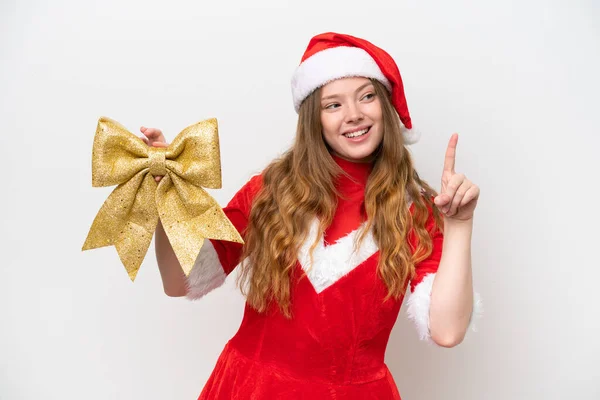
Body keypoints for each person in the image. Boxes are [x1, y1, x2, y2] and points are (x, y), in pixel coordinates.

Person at [140, 32, 482, 400]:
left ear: (385, 105)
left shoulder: (415, 212)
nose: (354, 114)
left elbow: (447, 331)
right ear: (313, 119)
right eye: (333, 105)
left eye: (367, 96)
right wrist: (167, 197)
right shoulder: (271, 191)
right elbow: (180, 282)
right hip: (249, 390)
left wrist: (460, 224)